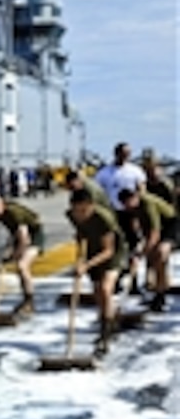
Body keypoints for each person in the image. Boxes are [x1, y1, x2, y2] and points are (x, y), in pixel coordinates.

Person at [68, 188, 125, 356]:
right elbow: (80, 234)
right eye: (77, 211)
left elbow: (109, 250)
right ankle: (107, 320)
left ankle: (106, 333)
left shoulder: (103, 218)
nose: (80, 215)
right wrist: (80, 256)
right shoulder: (72, 215)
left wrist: (86, 266)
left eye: (84, 210)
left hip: (114, 253)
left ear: (92, 206)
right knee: (97, 291)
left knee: (106, 289)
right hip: (92, 250)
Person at [95, 142, 147, 292]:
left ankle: (133, 281)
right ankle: (115, 280)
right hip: (113, 213)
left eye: (128, 153)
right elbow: (99, 193)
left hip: (130, 214)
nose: (125, 156)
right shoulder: (105, 173)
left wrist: (138, 215)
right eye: (123, 153)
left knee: (132, 247)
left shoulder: (135, 171)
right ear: (116, 153)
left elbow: (142, 191)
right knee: (115, 247)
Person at [0, 193, 43, 315]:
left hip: (34, 235)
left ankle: (29, 301)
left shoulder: (13, 212)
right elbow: (14, 233)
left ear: (1, 205)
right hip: (21, 236)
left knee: (22, 265)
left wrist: (17, 252)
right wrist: (9, 249)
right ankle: (26, 298)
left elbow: (24, 236)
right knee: (20, 267)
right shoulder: (2, 214)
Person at [118, 187, 175, 311]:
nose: (128, 208)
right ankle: (157, 290)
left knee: (160, 254)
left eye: (128, 204)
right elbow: (137, 225)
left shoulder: (147, 203)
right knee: (153, 258)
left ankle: (161, 295)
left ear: (134, 198)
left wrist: (142, 253)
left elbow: (155, 232)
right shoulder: (132, 207)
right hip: (153, 228)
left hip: (171, 224)